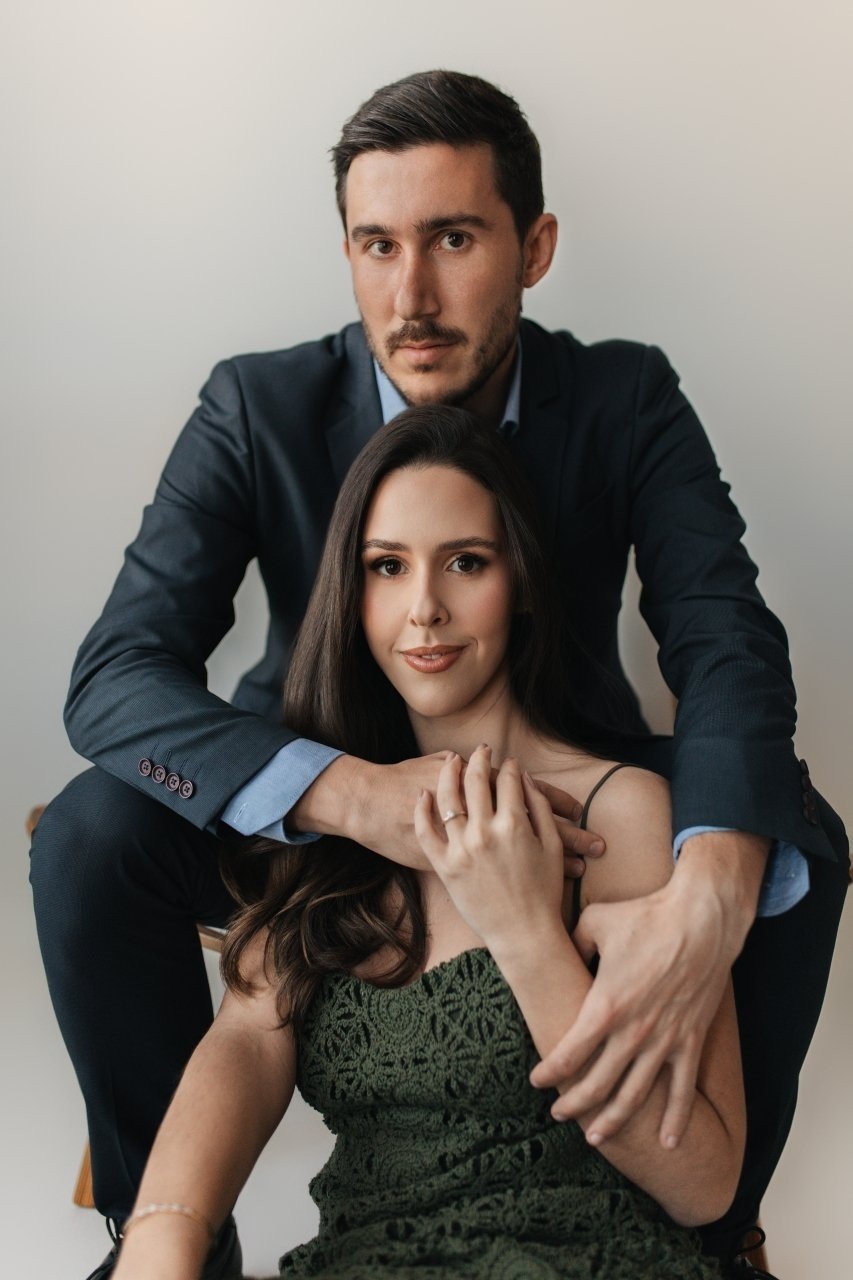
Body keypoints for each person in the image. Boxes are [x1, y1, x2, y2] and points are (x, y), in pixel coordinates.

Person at [28, 69, 848, 1280]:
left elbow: (723, 636)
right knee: (88, 833)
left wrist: (708, 894)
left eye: (453, 239)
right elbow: (115, 674)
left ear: (534, 248)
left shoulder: (622, 397)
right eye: (377, 245)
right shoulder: (256, 405)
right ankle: (156, 1221)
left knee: (793, 836)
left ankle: (714, 1236)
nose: (409, 295)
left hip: (561, 788)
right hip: (308, 798)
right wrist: (354, 795)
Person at [113, 405, 746, 1280]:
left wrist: (523, 930)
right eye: (387, 566)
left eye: (466, 562)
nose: (424, 610)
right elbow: (247, 1038)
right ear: (351, 593)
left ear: (521, 581)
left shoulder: (620, 812)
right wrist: (165, 1235)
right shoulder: (329, 812)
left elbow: (703, 1183)